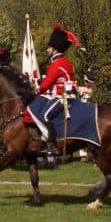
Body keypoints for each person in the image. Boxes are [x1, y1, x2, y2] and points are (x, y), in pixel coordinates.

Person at [26, 25, 79, 155]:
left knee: (43, 115)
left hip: (62, 97)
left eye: (49, 47)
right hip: (68, 95)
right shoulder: (65, 62)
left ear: (55, 50)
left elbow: (46, 85)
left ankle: (52, 144)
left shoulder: (57, 64)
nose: (47, 50)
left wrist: (37, 88)